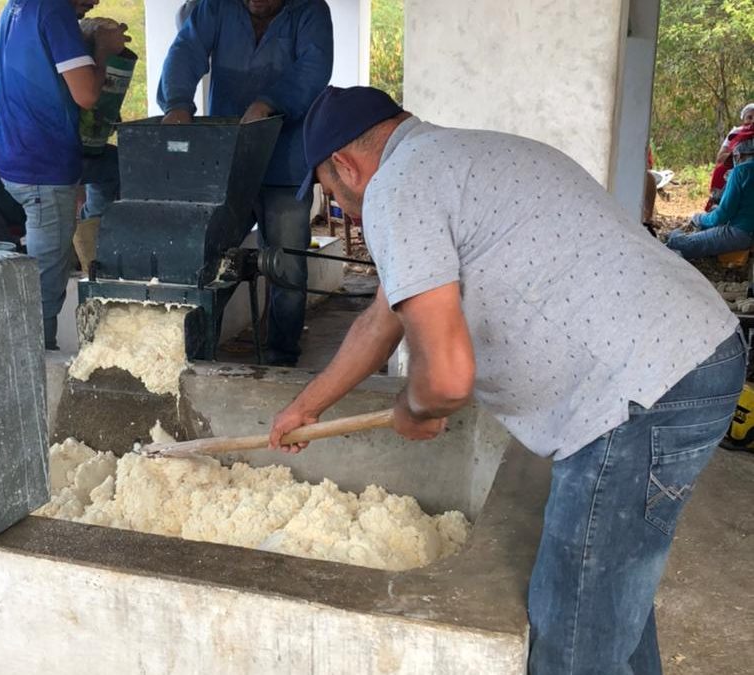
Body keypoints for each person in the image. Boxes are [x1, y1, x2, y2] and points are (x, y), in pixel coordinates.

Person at [268, 86, 743, 675]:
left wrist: (415, 411)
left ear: (346, 165)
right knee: (609, 602)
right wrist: (306, 408)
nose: (341, 209)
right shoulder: (458, 158)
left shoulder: (397, 188)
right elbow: (378, 321)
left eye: (332, 194)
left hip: (638, 398)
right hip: (690, 358)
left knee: (572, 644)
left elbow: (445, 379)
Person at [157, 0, 334, 366]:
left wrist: (269, 102)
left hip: (285, 162)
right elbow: (186, 49)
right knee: (211, 260)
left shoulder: (312, 11)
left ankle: (281, 360)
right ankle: (197, 354)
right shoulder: (215, 6)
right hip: (228, 159)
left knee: (287, 266)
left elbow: (314, 69)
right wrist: (177, 103)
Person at [0, 0, 129, 350]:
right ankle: (40, 374)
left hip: (16, 157)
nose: (95, 1)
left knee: (115, 167)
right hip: (44, 168)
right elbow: (87, 94)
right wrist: (103, 49)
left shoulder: (19, 6)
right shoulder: (56, 10)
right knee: (45, 290)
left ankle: (93, 247)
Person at [667, 138, 754, 259]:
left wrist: (699, 218)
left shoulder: (741, 171)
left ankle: (674, 235)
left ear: (739, 155)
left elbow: (723, 214)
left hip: (741, 233)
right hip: (746, 230)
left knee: (678, 243)